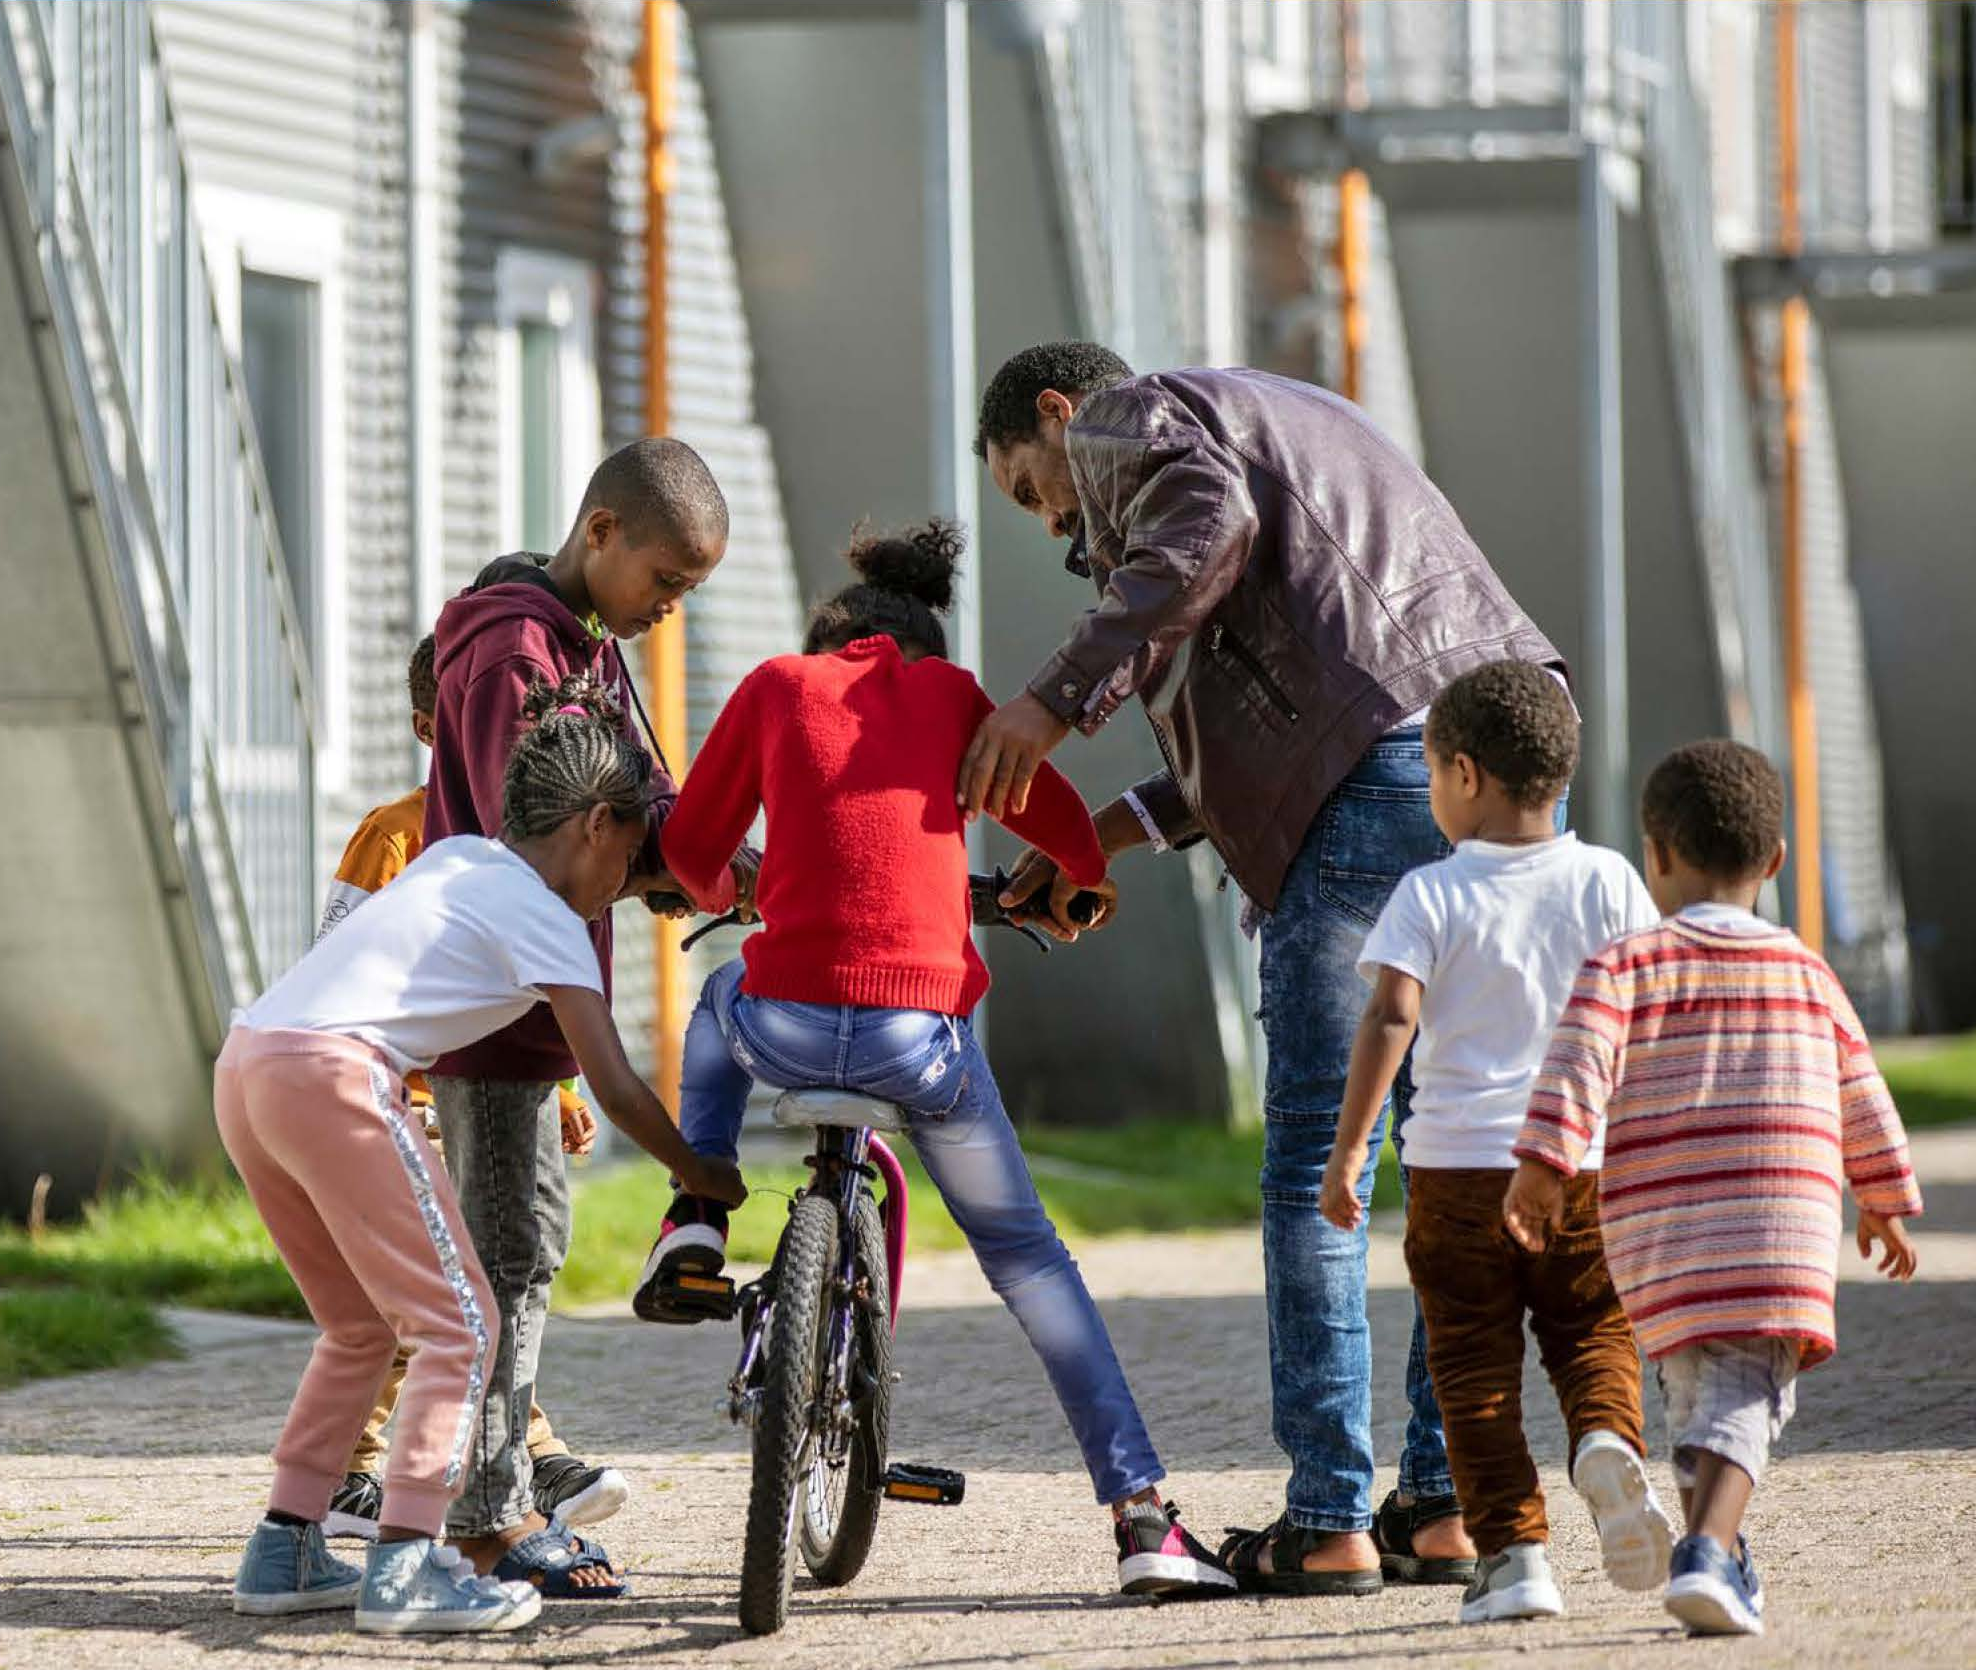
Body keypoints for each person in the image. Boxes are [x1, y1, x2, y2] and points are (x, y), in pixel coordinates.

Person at [969, 341, 1564, 1591]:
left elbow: (1209, 530)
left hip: (1373, 777)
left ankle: (1329, 1516)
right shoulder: (1269, 412)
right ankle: (1439, 1502)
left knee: (1312, 1158)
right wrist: (1111, 835)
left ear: (1057, 413)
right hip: (1478, 758)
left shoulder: (1138, 418)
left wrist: (1049, 698)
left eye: (1030, 487)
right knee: (1449, 1143)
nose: (1053, 524)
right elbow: (1300, 687)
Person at [640, 521, 1237, 1599]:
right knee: (1027, 1257)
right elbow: (1062, 825)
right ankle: (1142, 1516)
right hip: (919, 1039)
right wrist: (1080, 878)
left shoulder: (778, 684)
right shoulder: (957, 694)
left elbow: (688, 850)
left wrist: (735, 890)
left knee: (718, 994)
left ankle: (693, 1212)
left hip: (781, 1018)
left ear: (831, 641)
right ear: (917, 645)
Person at [217, 677, 746, 1631]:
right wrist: (700, 1171)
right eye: (629, 856)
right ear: (594, 824)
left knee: (360, 1329)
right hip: (335, 1075)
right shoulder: (553, 920)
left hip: (251, 1061)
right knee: (461, 1326)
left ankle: (284, 1545)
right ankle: (410, 1565)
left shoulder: (459, 854)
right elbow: (619, 1085)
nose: (625, 884)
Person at [423, 437, 754, 1589]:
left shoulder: (580, 643)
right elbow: (566, 829)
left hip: (531, 1008)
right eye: (666, 581)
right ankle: (489, 1519)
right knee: (506, 1260)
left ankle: (486, 1498)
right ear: (601, 532)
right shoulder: (518, 652)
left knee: (516, 1254)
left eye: (690, 594)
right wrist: (680, 861)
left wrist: (713, 860)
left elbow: (641, 806)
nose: (670, 609)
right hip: (500, 1009)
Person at [1505, 739, 1923, 1638]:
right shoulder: (1807, 971)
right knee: (1743, 1397)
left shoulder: (1623, 967)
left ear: (1653, 854)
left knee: (1698, 1394)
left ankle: (1722, 1560)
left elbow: (1576, 1067)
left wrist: (1544, 1167)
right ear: (1775, 861)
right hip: (1775, 1232)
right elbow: (1862, 1092)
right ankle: (1706, 1552)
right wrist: (1882, 1196)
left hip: (1658, 1238)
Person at [1321, 662, 1669, 1622]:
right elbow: (1644, 1016)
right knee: (1593, 1330)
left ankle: (1515, 1558)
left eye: (1431, 775)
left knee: (1471, 1371)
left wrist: (1350, 1152)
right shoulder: (1610, 879)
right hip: (1581, 1165)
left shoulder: (1430, 895)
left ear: (1465, 774)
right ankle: (1606, 1441)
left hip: (1456, 1173)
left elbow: (1391, 1017)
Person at [315, 636, 624, 1541]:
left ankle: (524, 1443)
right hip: (403, 1099)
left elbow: (521, 993)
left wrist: (563, 1092)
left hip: (485, 1090)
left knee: (493, 1278)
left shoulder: (522, 852)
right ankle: (356, 1469)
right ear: (434, 729)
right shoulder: (398, 834)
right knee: (419, 1293)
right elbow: (339, 961)